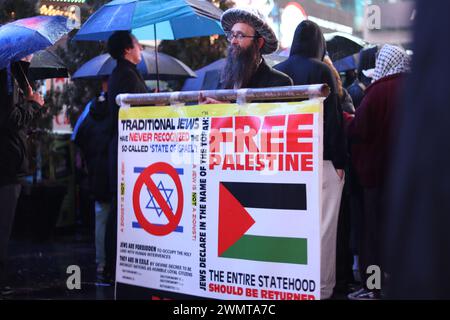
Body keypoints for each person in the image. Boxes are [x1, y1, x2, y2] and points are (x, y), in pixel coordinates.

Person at [274, 20, 347, 299]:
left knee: (292, 228)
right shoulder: (322, 70)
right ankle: (321, 289)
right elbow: (333, 121)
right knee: (323, 230)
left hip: (286, 163)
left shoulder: (278, 71)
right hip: (321, 162)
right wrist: (339, 162)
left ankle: (291, 284)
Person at [347, 44, 411, 300]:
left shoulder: (378, 90)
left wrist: (346, 121)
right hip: (405, 177)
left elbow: (358, 130)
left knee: (372, 236)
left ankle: (373, 287)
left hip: (375, 176)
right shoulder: (415, 88)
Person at [104, 31, 148, 281]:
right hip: (125, 154)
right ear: (126, 50)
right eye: (137, 44)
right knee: (120, 210)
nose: (140, 48)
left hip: (121, 151)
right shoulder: (126, 77)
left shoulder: (124, 74)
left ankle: (113, 265)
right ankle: (113, 266)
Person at [0, 56, 45, 296]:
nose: (31, 55)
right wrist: (33, 104)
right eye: (28, 51)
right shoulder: (5, 77)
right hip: (5, 166)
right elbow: (10, 119)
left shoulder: (14, 76)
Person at [200, 7, 292, 104]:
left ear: (259, 43)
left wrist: (228, 110)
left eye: (240, 35)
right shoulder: (216, 79)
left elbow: (271, 118)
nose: (233, 41)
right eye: (232, 35)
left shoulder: (279, 83)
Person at [73, 79, 111, 278]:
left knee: (101, 216)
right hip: (113, 168)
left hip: (96, 169)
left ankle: (100, 262)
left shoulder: (90, 108)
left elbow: (76, 136)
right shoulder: (118, 107)